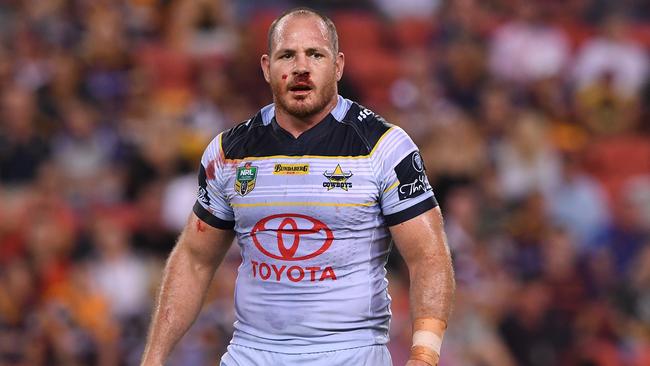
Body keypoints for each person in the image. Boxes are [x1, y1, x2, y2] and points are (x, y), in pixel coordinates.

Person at [141, 7, 455, 366]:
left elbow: (428, 256)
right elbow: (195, 259)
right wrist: (154, 357)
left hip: (349, 354)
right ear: (266, 67)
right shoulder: (229, 152)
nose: (301, 67)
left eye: (315, 54)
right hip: (251, 353)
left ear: (337, 66)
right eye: (287, 55)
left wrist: (424, 355)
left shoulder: (385, 148)